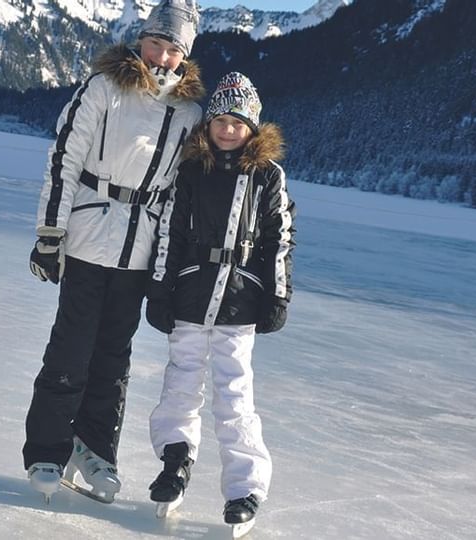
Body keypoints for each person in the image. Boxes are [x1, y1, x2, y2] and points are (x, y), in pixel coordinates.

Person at [22, 0, 205, 503]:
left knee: (114, 357)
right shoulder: (105, 87)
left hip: (138, 251)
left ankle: (95, 449)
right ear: (140, 41)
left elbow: (177, 198)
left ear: (184, 56)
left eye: (173, 50)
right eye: (155, 44)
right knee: (71, 349)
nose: (162, 57)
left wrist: (165, 267)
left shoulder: (188, 113)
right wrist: (49, 235)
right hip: (86, 237)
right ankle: (47, 449)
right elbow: (64, 158)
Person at [144, 72, 294, 527]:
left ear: (252, 126)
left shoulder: (267, 176)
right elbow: (168, 231)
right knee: (180, 384)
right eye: (221, 120)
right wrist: (160, 289)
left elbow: (280, 239)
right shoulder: (191, 170)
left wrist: (277, 295)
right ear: (208, 124)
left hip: (239, 302)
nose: (229, 130)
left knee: (234, 396)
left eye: (238, 122)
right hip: (191, 293)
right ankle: (174, 464)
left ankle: (244, 488)